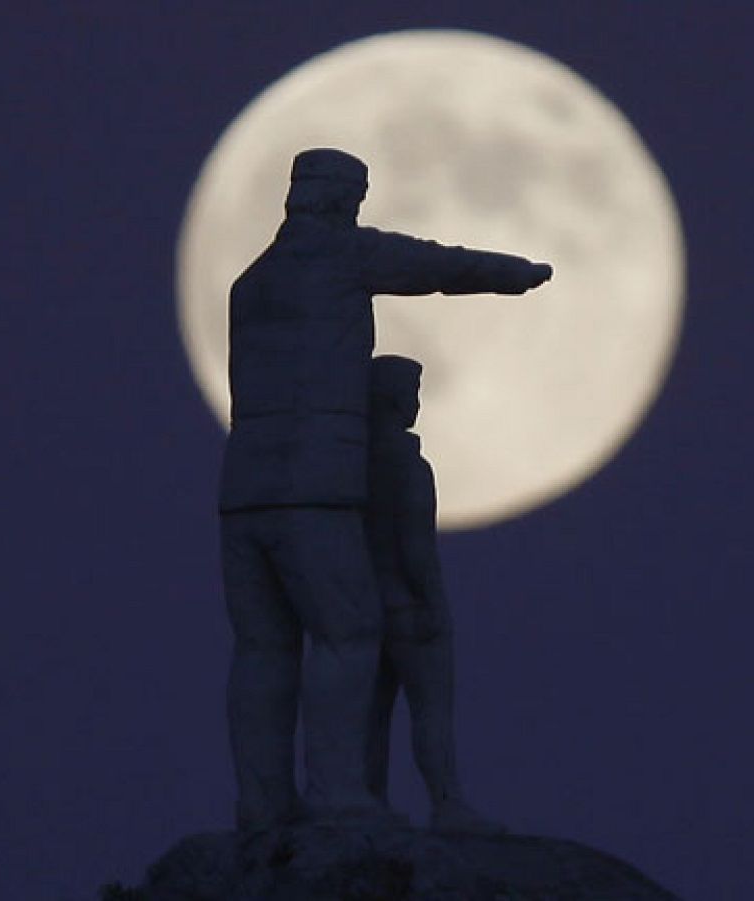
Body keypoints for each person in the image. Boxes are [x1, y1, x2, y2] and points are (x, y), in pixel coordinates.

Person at [219, 148, 551, 831]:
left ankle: (263, 803)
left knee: (263, 648)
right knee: (349, 631)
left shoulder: (249, 283)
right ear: (343, 199)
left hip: (245, 489)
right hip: (316, 485)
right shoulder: (341, 258)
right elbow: (433, 265)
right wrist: (514, 275)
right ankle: (338, 795)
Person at [362, 356, 505, 834]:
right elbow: (416, 546)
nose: (416, 403)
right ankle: (447, 803)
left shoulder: (350, 467)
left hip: (365, 606)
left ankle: (370, 801)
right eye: (411, 392)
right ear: (395, 400)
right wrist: (433, 603)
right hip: (409, 606)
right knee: (431, 710)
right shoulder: (408, 467)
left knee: (371, 715)